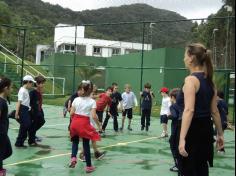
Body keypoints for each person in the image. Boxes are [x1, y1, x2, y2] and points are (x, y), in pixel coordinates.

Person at [177, 43, 224, 176]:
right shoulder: (210, 81)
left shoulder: (191, 80)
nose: (184, 59)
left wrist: (182, 138)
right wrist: (220, 134)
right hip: (206, 130)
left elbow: (189, 110)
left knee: (187, 170)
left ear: (191, 58)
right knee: (201, 168)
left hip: (191, 131)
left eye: (185, 55)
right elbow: (214, 112)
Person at [69, 80, 102, 173]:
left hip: (74, 122)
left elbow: (71, 113)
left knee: (75, 141)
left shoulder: (76, 99)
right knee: (86, 144)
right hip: (84, 123)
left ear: (82, 90)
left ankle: (73, 158)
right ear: (90, 91)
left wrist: (74, 120)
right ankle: (88, 166)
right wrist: (99, 126)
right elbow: (94, 116)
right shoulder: (92, 102)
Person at [15, 75, 35, 148]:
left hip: (26, 109)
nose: (32, 85)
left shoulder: (25, 90)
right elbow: (19, 102)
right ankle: (19, 142)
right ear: (28, 82)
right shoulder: (22, 90)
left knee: (25, 126)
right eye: (31, 83)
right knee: (26, 125)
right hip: (22, 109)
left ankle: (19, 143)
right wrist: (17, 113)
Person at [28, 76, 46, 146]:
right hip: (34, 111)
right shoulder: (33, 92)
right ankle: (31, 140)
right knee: (34, 124)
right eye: (42, 83)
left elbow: (39, 100)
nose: (43, 85)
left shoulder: (40, 91)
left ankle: (32, 133)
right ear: (37, 84)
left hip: (39, 109)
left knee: (42, 121)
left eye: (43, 83)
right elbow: (29, 102)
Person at [0, 77, 12, 176]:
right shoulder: (1, 102)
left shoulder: (3, 101)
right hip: (1, 133)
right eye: (10, 87)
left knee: (8, 151)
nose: (11, 90)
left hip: (3, 132)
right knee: (2, 152)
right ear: (5, 88)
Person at [168, 88, 180, 172]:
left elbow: (175, 116)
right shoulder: (184, 105)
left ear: (173, 97)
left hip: (176, 129)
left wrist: (168, 116)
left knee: (173, 146)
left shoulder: (172, 106)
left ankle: (177, 165)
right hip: (183, 129)